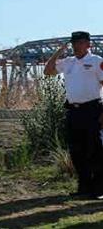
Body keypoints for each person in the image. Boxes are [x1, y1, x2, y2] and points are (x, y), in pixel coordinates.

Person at [44, 31, 103, 199]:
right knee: (77, 151)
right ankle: (84, 187)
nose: (76, 46)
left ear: (88, 44)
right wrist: (58, 53)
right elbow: (48, 71)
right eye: (74, 43)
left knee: (95, 150)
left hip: (92, 110)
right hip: (73, 111)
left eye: (80, 43)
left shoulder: (96, 61)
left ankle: (99, 189)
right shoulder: (68, 62)